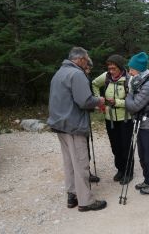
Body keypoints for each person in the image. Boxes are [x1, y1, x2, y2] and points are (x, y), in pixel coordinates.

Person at [47, 46, 107, 212]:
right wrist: (99, 100)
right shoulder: (77, 74)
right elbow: (85, 101)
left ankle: (72, 195)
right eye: (86, 59)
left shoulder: (59, 73)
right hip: (73, 125)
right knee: (80, 162)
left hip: (59, 124)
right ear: (80, 59)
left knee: (69, 162)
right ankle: (86, 201)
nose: (87, 62)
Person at [92, 55, 134, 185]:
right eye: (109, 68)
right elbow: (94, 83)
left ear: (120, 67)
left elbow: (132, 100)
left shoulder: (129, 79)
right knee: (115, 146)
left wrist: (117, 102)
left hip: (125, 118)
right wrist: (100, 101)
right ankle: (120, 170)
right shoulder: (106, 76)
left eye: (113, 68)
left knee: (126, 146)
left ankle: (128, 172)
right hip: (109, 118)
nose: (111, 71)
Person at [125, 51, 149, 195]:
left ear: (139, 69)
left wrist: (128, 93)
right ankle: (148, 180)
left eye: (132, 69)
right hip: (140, 124)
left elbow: (134, 106)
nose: (129, 72)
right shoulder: (139, 82)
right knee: (142, 154)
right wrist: (132, 92)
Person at [84, 58, 101, 183]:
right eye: (87, 68)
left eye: (89, 69)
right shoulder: (79, 78)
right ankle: (85, 174)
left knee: (85, 146)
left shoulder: (86, 78)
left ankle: (87, 172)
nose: (88, 71)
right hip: (80, 118)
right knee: (82, 147)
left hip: (84, 116)